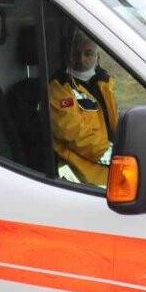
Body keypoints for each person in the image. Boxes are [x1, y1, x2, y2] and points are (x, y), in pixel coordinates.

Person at [47, 29, 120, 187]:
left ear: (97, 57)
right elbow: (73, 133)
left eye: (88, 53)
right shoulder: (59, 87)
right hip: (77, 170)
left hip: (103, 163)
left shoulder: (104, 82)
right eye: (75, 53)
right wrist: (114, 155)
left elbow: (115, 123)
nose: (81, 59)